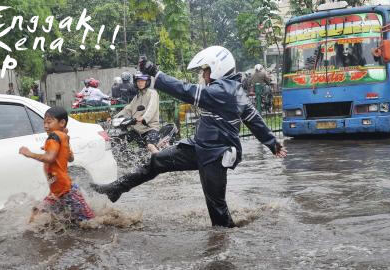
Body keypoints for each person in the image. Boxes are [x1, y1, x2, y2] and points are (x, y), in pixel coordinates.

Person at [91, 46, 287, 228]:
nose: (203, 74)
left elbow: (186, 91)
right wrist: (272, 143)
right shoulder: (232, 90)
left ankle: (224, 246)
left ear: (218, 68)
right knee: (157, 160)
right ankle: (116, 188)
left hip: (215, 156)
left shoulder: (222, 91)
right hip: (198, 147)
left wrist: (156, 73)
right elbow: (255, 120)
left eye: (206, 70)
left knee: (217, 210)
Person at [19, 106, 94, 223]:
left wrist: (29, 153)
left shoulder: (54, 137)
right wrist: (60, 145)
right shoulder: (62, 137)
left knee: (90, 222)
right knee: (39, 213)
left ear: (62, 122)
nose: (45, 126)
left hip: (66, 191)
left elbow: (49, 158)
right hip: (56, 191)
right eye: (44, 123)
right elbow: (71, 158)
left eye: (49, 122)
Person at [110, 72, 161, 153]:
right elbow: (128, 109)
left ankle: (160, 162)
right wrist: (114, 118)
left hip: (150, 127)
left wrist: (144, 118)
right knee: (120, 139)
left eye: (142, 81)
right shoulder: (137, 96)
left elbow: (152, 107)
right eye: (138, 81)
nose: (140, 83)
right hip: (137, 129)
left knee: (150, 146)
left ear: (147, 82)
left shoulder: (152, 93)